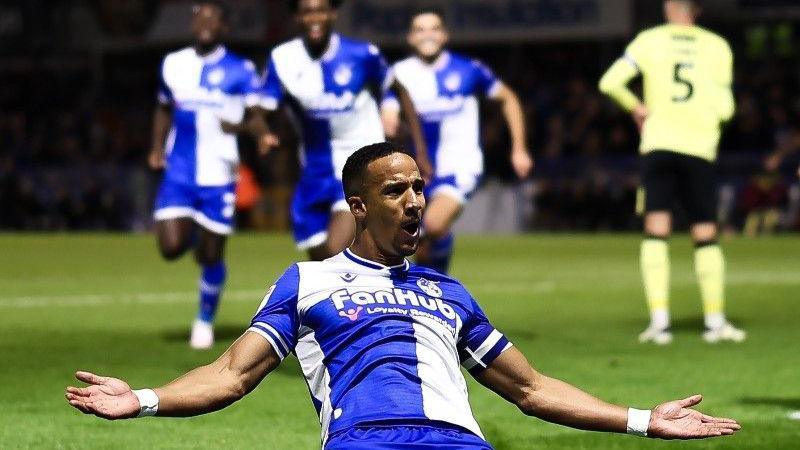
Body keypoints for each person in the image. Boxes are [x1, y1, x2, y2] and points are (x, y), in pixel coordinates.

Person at [66, 142, 740, 449]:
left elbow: (530, 389)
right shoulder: (309, 280)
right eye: (397, 190)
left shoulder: (449, 292)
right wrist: (145, 400)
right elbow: (231, 375)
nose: (416, 201)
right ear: (359, 206)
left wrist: (645, 420)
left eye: (419, 187)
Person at [599, 0, 745, 344]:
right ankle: (715, 322)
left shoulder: (649, 40)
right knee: (706, 234)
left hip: (659, 144)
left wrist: (637, 108)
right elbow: (727, 107)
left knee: (656, 232)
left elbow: (610, 82)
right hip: (699, 147)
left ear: (672, 7)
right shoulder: (717, 46)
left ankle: (659, 323)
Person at [251, 0, 430, 261]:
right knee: (322, 262)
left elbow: (398, 90)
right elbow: (260, 111)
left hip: (360, 166)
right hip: (313, 170)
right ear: (297, 18)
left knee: (336, 251)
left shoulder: (362, 54)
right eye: (307, 11)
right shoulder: (283, 59)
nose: (315, 17)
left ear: (332, 14)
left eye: (321, 10)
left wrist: (416, 143)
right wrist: (262, 133)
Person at [148, 1, 266, 349]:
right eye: (199, 17)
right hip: (180, 171)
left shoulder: (241, 69)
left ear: (223, 28)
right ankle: (197, 234)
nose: (204, 23)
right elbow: (163, 107)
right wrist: (156, 148)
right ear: (192, 24)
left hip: (219, 173)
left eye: (212, 19)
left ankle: (204, 320)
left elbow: (256, 115)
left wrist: (256, 132)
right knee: (170, 247)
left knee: (212, 257)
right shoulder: (173, 63)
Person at [382, 7, 534, 274]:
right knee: (418, 240)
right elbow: (389, 110)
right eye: (420, 29)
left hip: (460, 166)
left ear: (444, 35)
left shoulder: (469, 70)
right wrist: (390, 121)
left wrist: (519, 149)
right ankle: (435, 288)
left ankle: (437, 263)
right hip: (414, 172)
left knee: (433, 225)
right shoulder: (399, 74)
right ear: (410, 38)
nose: (427, 34)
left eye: (434, 28)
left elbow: (508, 98)